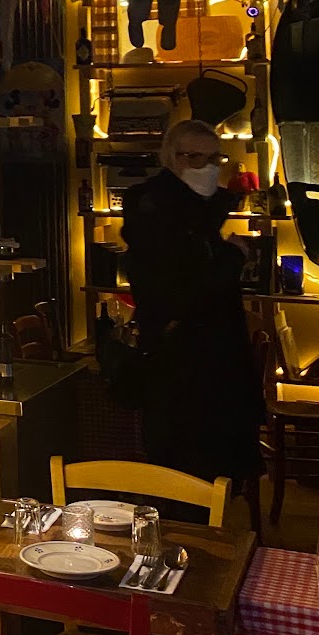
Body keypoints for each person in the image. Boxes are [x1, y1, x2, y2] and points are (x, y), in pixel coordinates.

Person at [120, 118, 263, 489]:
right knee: (185, 470)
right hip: (180, 366)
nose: (207, 166)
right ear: (171, 158)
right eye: (195, 157)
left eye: (214, 158)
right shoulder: (157, 212)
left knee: (211, 471)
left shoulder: (199, 212)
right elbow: (178, 292)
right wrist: (232, 257)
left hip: (212, 361)